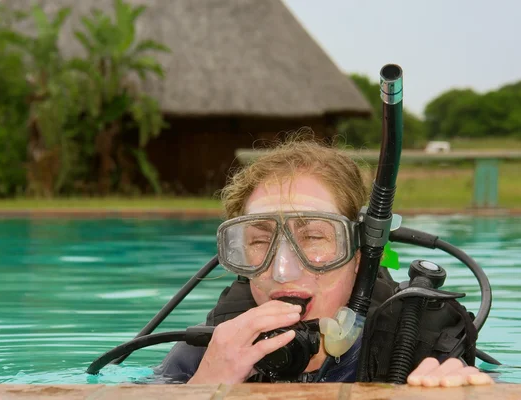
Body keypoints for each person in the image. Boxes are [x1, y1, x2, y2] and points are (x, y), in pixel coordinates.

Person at [156, 133, 494, 387]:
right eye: (259, 241)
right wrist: (202, 389)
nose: (282, 270)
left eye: (314, 237)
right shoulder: (207, 352)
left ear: (361, 254)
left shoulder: (417, 348)